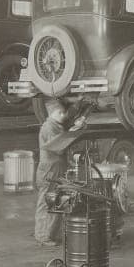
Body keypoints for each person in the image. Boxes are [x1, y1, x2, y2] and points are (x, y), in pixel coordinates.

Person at [33, 98, 88, 246]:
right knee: (46, 202)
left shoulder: (56, 125)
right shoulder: (48, 128)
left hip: (55, 169)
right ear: (56, 112)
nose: (65, 116)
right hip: (50, 170)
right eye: (62, 113)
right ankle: (42, 236)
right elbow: (59, 147)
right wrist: (73, 131)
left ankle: (50, 234)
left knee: (56, 201)